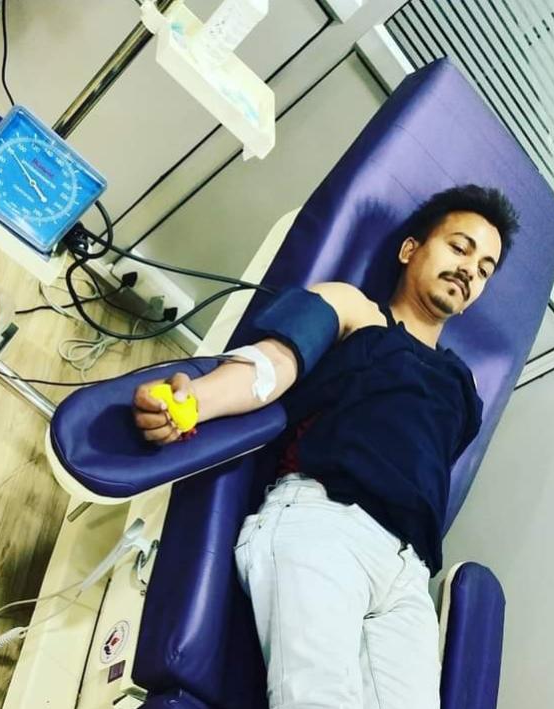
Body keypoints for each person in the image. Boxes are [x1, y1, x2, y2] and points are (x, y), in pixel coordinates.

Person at [131, 184, 519, 708]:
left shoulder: (463, 388)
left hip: (407, 576)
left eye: (485, 269)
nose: (470, 270)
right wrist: (195, 400)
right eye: (459, 248)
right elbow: (274, 363)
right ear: (411, 249)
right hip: (326, 525)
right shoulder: (355, 310)